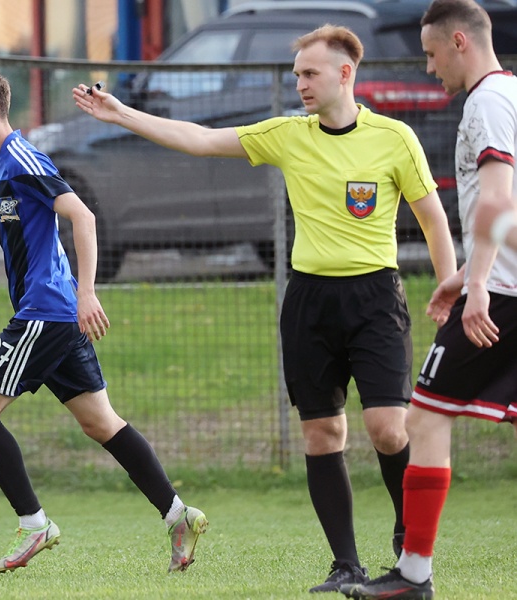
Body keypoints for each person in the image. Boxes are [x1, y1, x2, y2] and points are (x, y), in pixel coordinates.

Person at [73, 25, 458, 593]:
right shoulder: (287, 134)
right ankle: (345, 566)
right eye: (297, 74)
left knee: (387, 428)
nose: (300, 83)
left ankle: (409, 541)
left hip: (376, 298)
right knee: (322, 434)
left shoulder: (394, 137)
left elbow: (433, 219)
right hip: (309, 301)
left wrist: (450, 287)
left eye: (310, 73)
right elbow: (200, 139)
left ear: (344, 74)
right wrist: (122, 113)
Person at [0, 68, 208, 573]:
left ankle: (35, 524)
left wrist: (87, 292)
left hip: (46, 312)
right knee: (100, 423)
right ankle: (179, 516)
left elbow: (83, 216)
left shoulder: (24, 160)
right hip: (54, 315)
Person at [342, 1, 517, 597]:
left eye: (431, 52)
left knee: (426, 416)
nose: (428, 66)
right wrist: (465, 272)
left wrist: (477, 285)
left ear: (459, 41)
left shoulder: (487, 102)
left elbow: (497, 201)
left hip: (502, 292)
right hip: (500, 280)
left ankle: (414, 574)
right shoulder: (509, 94)